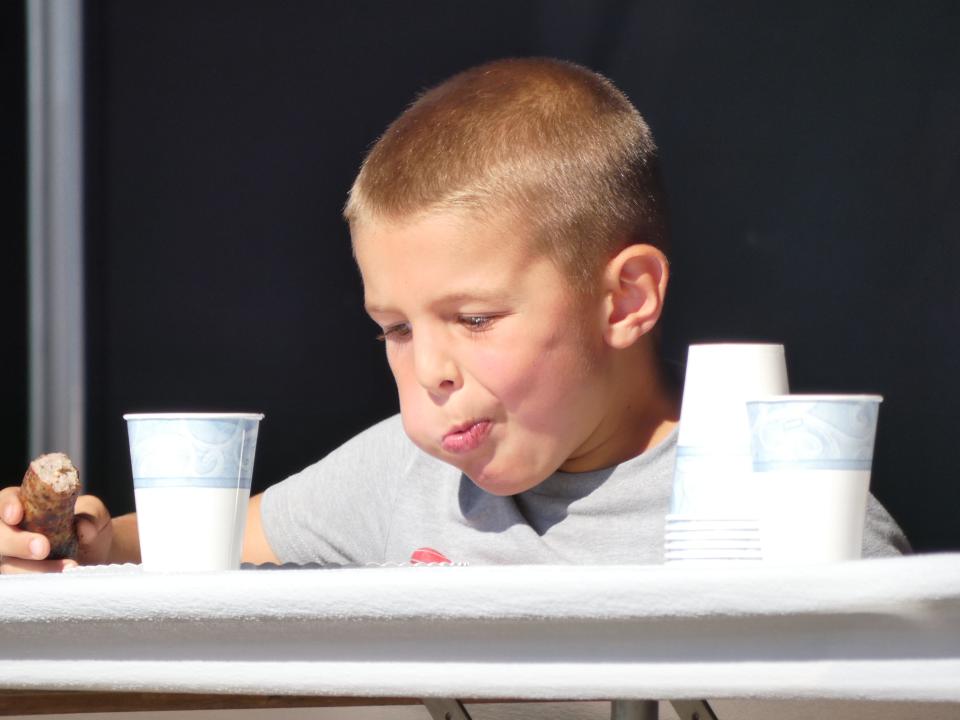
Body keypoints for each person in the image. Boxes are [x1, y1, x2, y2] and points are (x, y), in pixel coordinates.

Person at [0, 58, 909, 574]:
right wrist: (70, 540)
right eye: (396, 329)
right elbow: (186, 543)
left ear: (625, 299)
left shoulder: (791, 516)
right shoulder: (405, 473)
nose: (428, 369)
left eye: (473, 319)